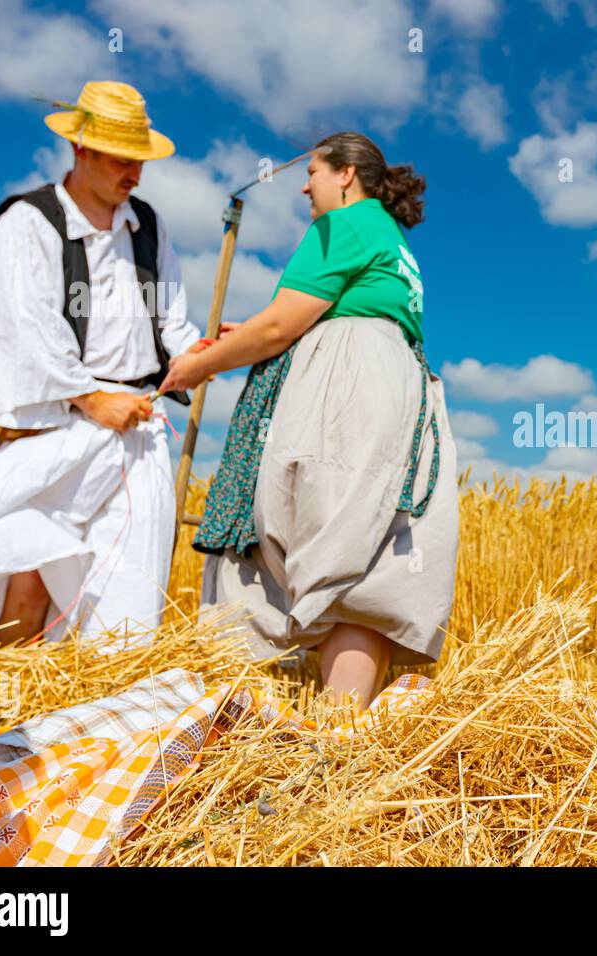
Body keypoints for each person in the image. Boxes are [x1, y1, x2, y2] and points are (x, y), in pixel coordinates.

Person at [160, 132, 458, 714]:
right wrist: (243, 337)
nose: (304, 184)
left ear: (346, 174)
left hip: (347, 387)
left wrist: (197, 366)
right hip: (402, 387)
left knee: (319, 533)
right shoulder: (391, 238)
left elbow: (280, 327)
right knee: (368, 568)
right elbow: (304, 316)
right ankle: (339, 741)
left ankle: (266, 728)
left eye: (315, 172)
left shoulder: (341, 224)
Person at [0, 81, 200, 647]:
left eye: (140, 161)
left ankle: (95, 703)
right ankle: (2, 710)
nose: (135, 175)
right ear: (82, 151)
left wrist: (205, 351)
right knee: (20, 558)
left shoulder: (149, 228)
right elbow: (21, 327)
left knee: (126, 585)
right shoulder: (29, 222)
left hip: (134, 432)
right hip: (49, 423)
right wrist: (92, 398)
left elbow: (171, 322)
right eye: (123, 159)